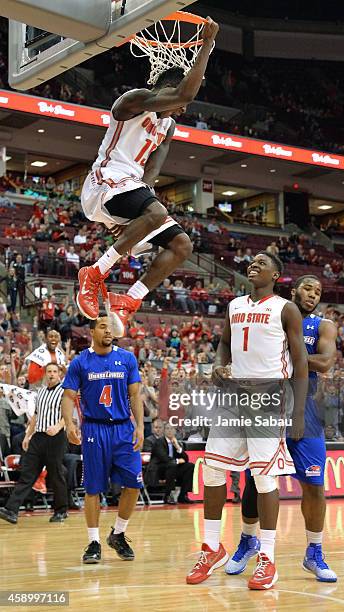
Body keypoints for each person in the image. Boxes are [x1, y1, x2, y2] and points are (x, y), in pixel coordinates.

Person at [77, 18, 219, 336]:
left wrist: (140, 214)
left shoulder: (168, 126)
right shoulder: (134, 101)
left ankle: (128, 300)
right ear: (167, 90)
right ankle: (93, 273)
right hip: (104, 180)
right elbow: (185, 95)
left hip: (131, 186)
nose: (183, 108)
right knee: (157, 212)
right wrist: (206, 45)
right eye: (178, 99)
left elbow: (152, 171)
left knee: (182, 245)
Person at [186, 252, 308, 590]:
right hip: (233, 396)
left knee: (263, 477)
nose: (253, 265)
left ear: (276, 274)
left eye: (261, 262)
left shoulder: (286, 308)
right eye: (251, 262)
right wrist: (219, 365)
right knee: (211, 468)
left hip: (269, 398)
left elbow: (300, 362)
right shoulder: (235, 305)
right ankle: (212, 547)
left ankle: (267, 557)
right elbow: (224, 343)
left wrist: (297, 413)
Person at [225, 275, 338, 583]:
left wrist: (283, 357)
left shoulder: (324, 326)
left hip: (308, 415)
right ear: (292, 291)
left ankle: (314, 552)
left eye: (318, 291)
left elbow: (326, 362)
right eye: (307, 288)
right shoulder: (271, 315)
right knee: (256, 481)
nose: (313, 294)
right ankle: (249, 541)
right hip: (265, 406)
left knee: (314, 485)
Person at [61, 315, 144, 564]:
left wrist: (139, 426)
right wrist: (69, 423)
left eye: (111, 327)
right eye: (103, 327)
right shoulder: (80, 362)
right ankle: (94, 541)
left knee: (134, 483)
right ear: (92, 331)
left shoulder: (127, 359)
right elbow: (67, 396)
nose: (109, 331)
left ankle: (118, 533)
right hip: (94, 430)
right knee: (93, 488)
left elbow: (135, 394)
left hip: (123, 429)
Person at [0, 363, 68, 524]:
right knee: (27, 473)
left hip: (55, 438)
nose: (51, 374)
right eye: (49, 371)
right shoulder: (41, 392)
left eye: (54, 372)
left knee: (56, 474)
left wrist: (58, 427)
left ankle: (61, 510)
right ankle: (11, 510)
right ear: (45, 374)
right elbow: (35, 417)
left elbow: (67, 415)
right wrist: (27, 436)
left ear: (59, 374)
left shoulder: (64, 392)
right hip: (38, 438)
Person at [146, 422, 194, 504]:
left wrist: (177, 447)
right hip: (159, 470)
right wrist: (178, 461)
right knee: (172, 465)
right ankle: (168, 495)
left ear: (175, 431)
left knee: (189, 466)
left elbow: (186, 459)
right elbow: (164, 458)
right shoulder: (159, 442)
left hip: (172, 468)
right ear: (164, 431)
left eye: (172, 429)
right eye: (167, 428)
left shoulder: (176, 442)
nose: (169, 431)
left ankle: (183, 495)